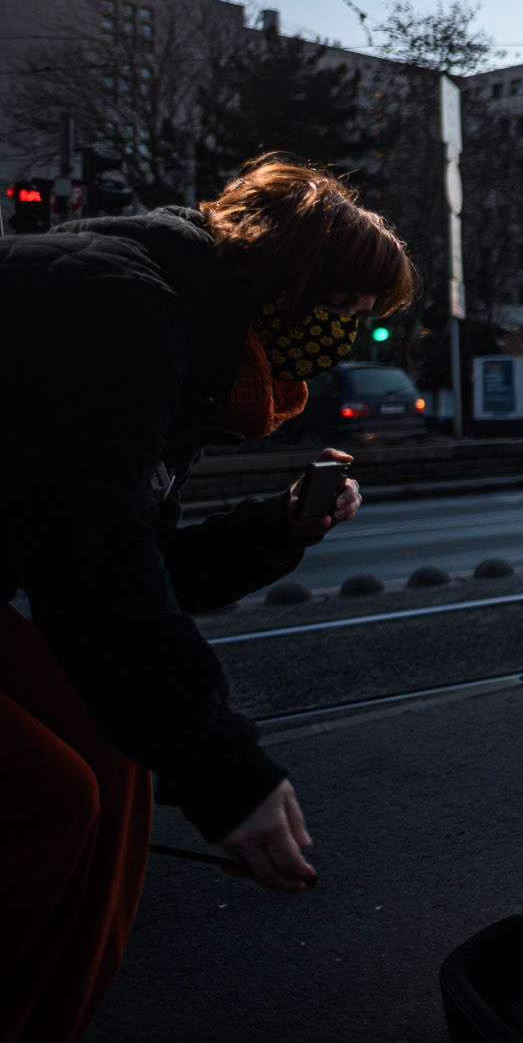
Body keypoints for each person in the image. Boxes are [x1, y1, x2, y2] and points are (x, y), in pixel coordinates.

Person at [0, 159, 416, 1041]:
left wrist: (279, 529)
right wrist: (228, 775)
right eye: (343, 309)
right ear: (287, 281)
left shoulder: (189, 341)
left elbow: (147, 567)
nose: (346, 338)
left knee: (114, 760)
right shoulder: (121, 309)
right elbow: (97, 566)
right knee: (47, 792)